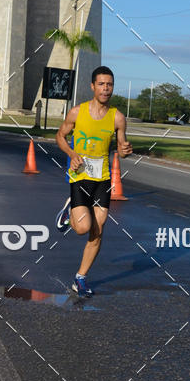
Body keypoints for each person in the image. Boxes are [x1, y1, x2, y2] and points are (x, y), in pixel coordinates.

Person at [55, 66, 132, 297]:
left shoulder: (118, 117)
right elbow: (60, 136)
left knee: (98, 231)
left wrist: (126, 150)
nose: (105, 88)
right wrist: (71, 153)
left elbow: (121, 147)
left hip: (103, 179)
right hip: (80, 177)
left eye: (109, 84)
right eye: (101, 84)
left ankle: (80, 278)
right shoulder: (77, 113)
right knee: (83, 228)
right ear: (92, 86)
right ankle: (69, 214)